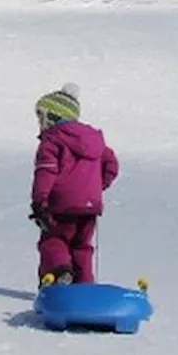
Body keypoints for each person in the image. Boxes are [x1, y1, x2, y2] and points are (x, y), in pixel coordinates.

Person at [29, 83, 118, 287]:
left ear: (53, 118)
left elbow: (46, 171)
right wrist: (95, 187)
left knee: (53, 239)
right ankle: (84, 287)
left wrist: (39, 200)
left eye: (41, 117)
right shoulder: (95, 140)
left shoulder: (51, 141)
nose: (40, 123)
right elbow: (112, 164)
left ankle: (61, 273)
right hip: (90, 206)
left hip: (61, 204)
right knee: (82, 247)